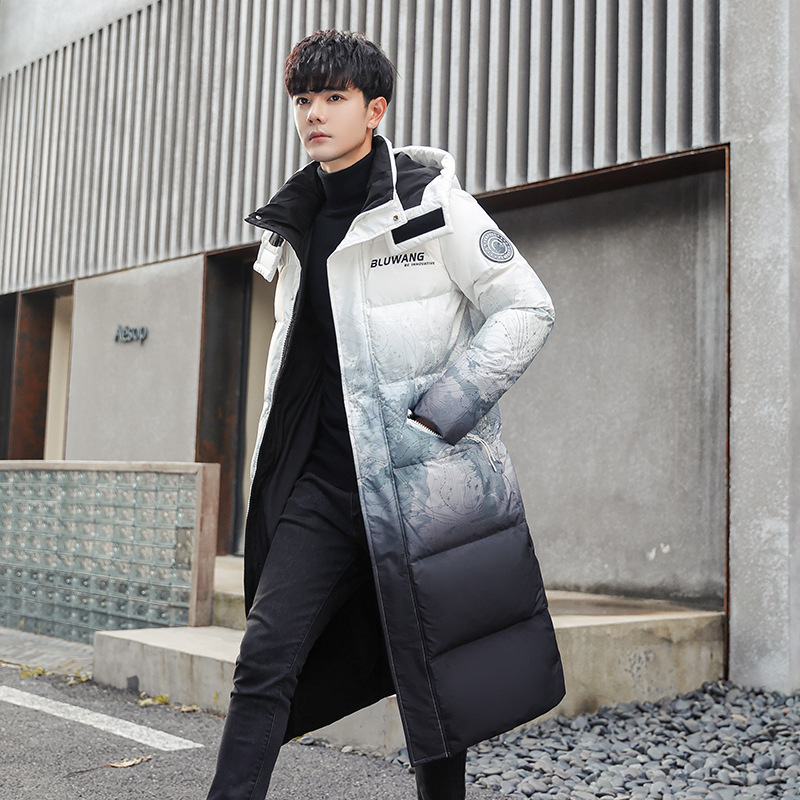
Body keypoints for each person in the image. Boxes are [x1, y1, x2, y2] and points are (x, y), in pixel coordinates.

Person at [206, 29, 565, 800]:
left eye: (333, 97)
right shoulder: (294, 220)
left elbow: (527, 308)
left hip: (420, 485)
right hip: (321, 487)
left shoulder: (432, 204)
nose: (314, 113)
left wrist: (443, 413)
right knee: (265, 657)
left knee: (436, 678)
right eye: (303, 99)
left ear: (375, 110)